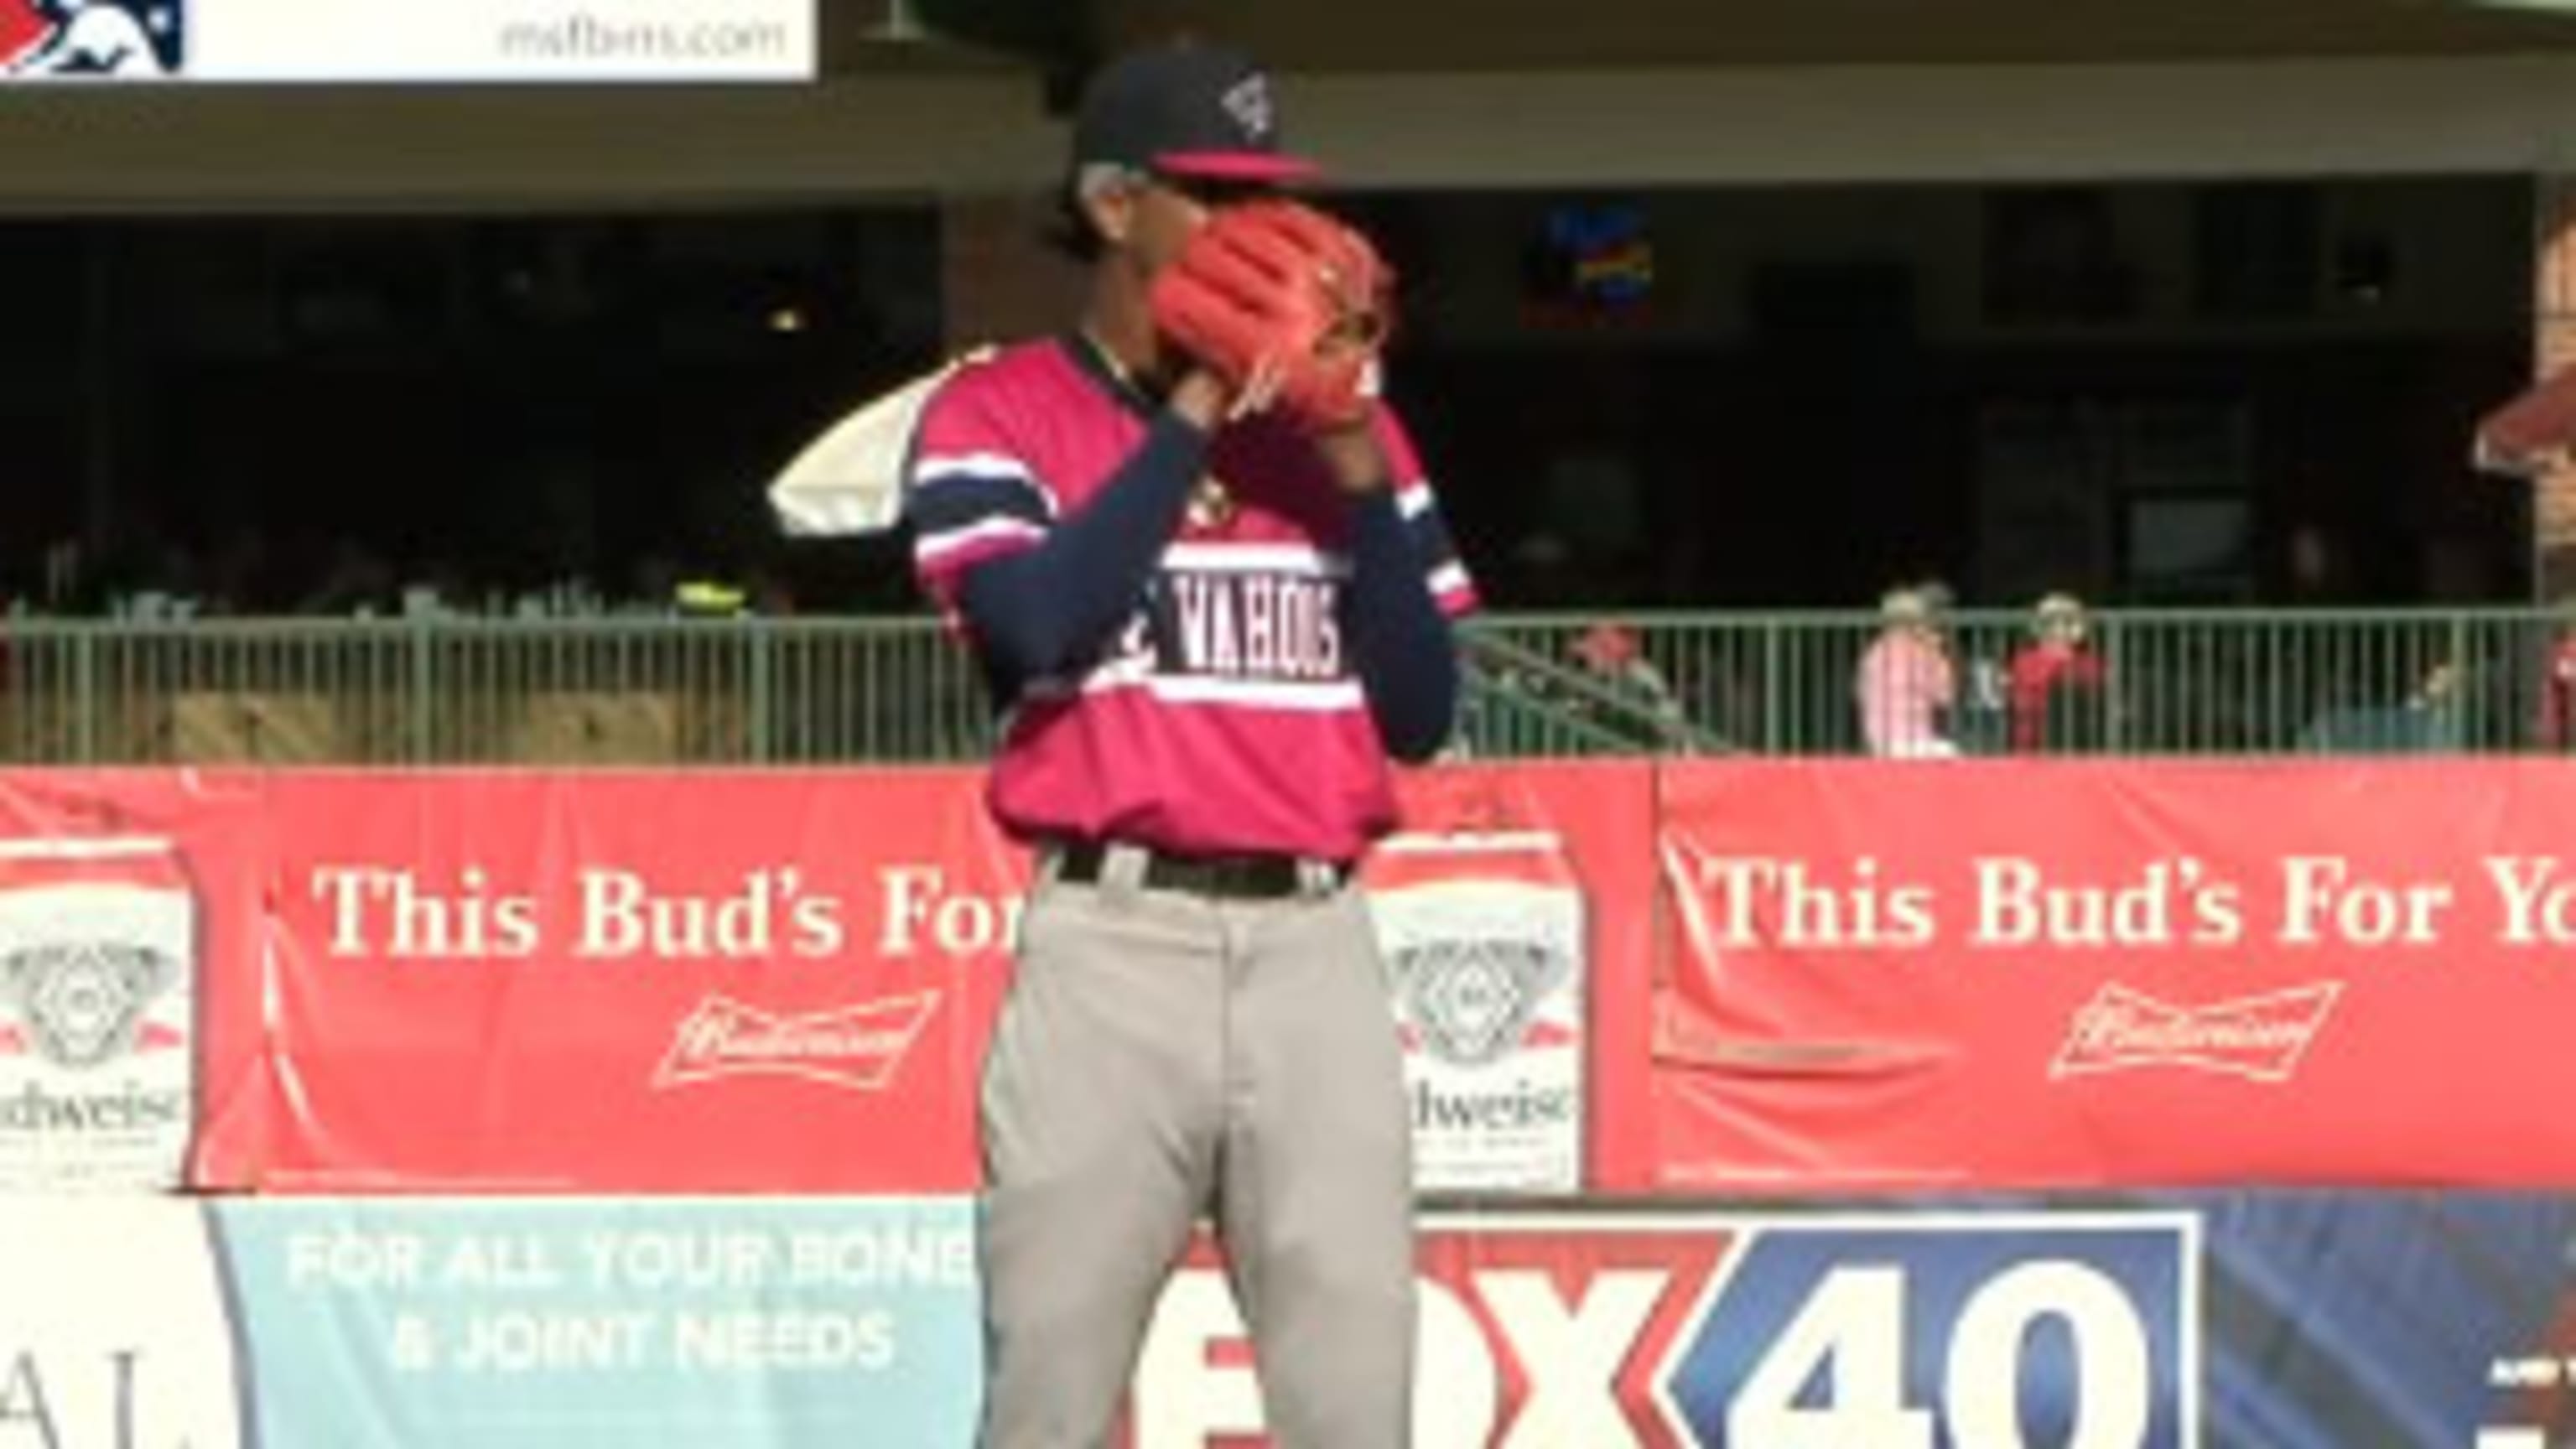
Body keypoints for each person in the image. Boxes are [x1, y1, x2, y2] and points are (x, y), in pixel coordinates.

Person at [900, 41, 1476, 1449]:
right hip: (1115, 942)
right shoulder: (998, 410)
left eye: (1269, 194)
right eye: (1212, 195)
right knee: (1047, 1394)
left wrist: (1348, 461)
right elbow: (1033, 625)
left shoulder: (1350, 432)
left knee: (1356, 1406)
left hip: (1315, 949)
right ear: (1112, 205)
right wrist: (1199, 407)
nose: (1259, 231)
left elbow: (1417, 707)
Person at [1854, 583, 1958, 758]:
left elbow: (1861, 694)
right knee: (1951, 755)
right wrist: (1939, 653)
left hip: (1878, 739)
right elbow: (1945, 697)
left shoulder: (1874, 652)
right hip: (1913, 740)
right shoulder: (1923, 652)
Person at [2005, 591, 2109, 753]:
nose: (2058, 629)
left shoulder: (2091, 662)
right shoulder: (2024, 660)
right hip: (2033, 742)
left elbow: (2099, 695)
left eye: (2066, 623)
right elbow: (2020, 696)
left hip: (2082, 743)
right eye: (2051, 623)